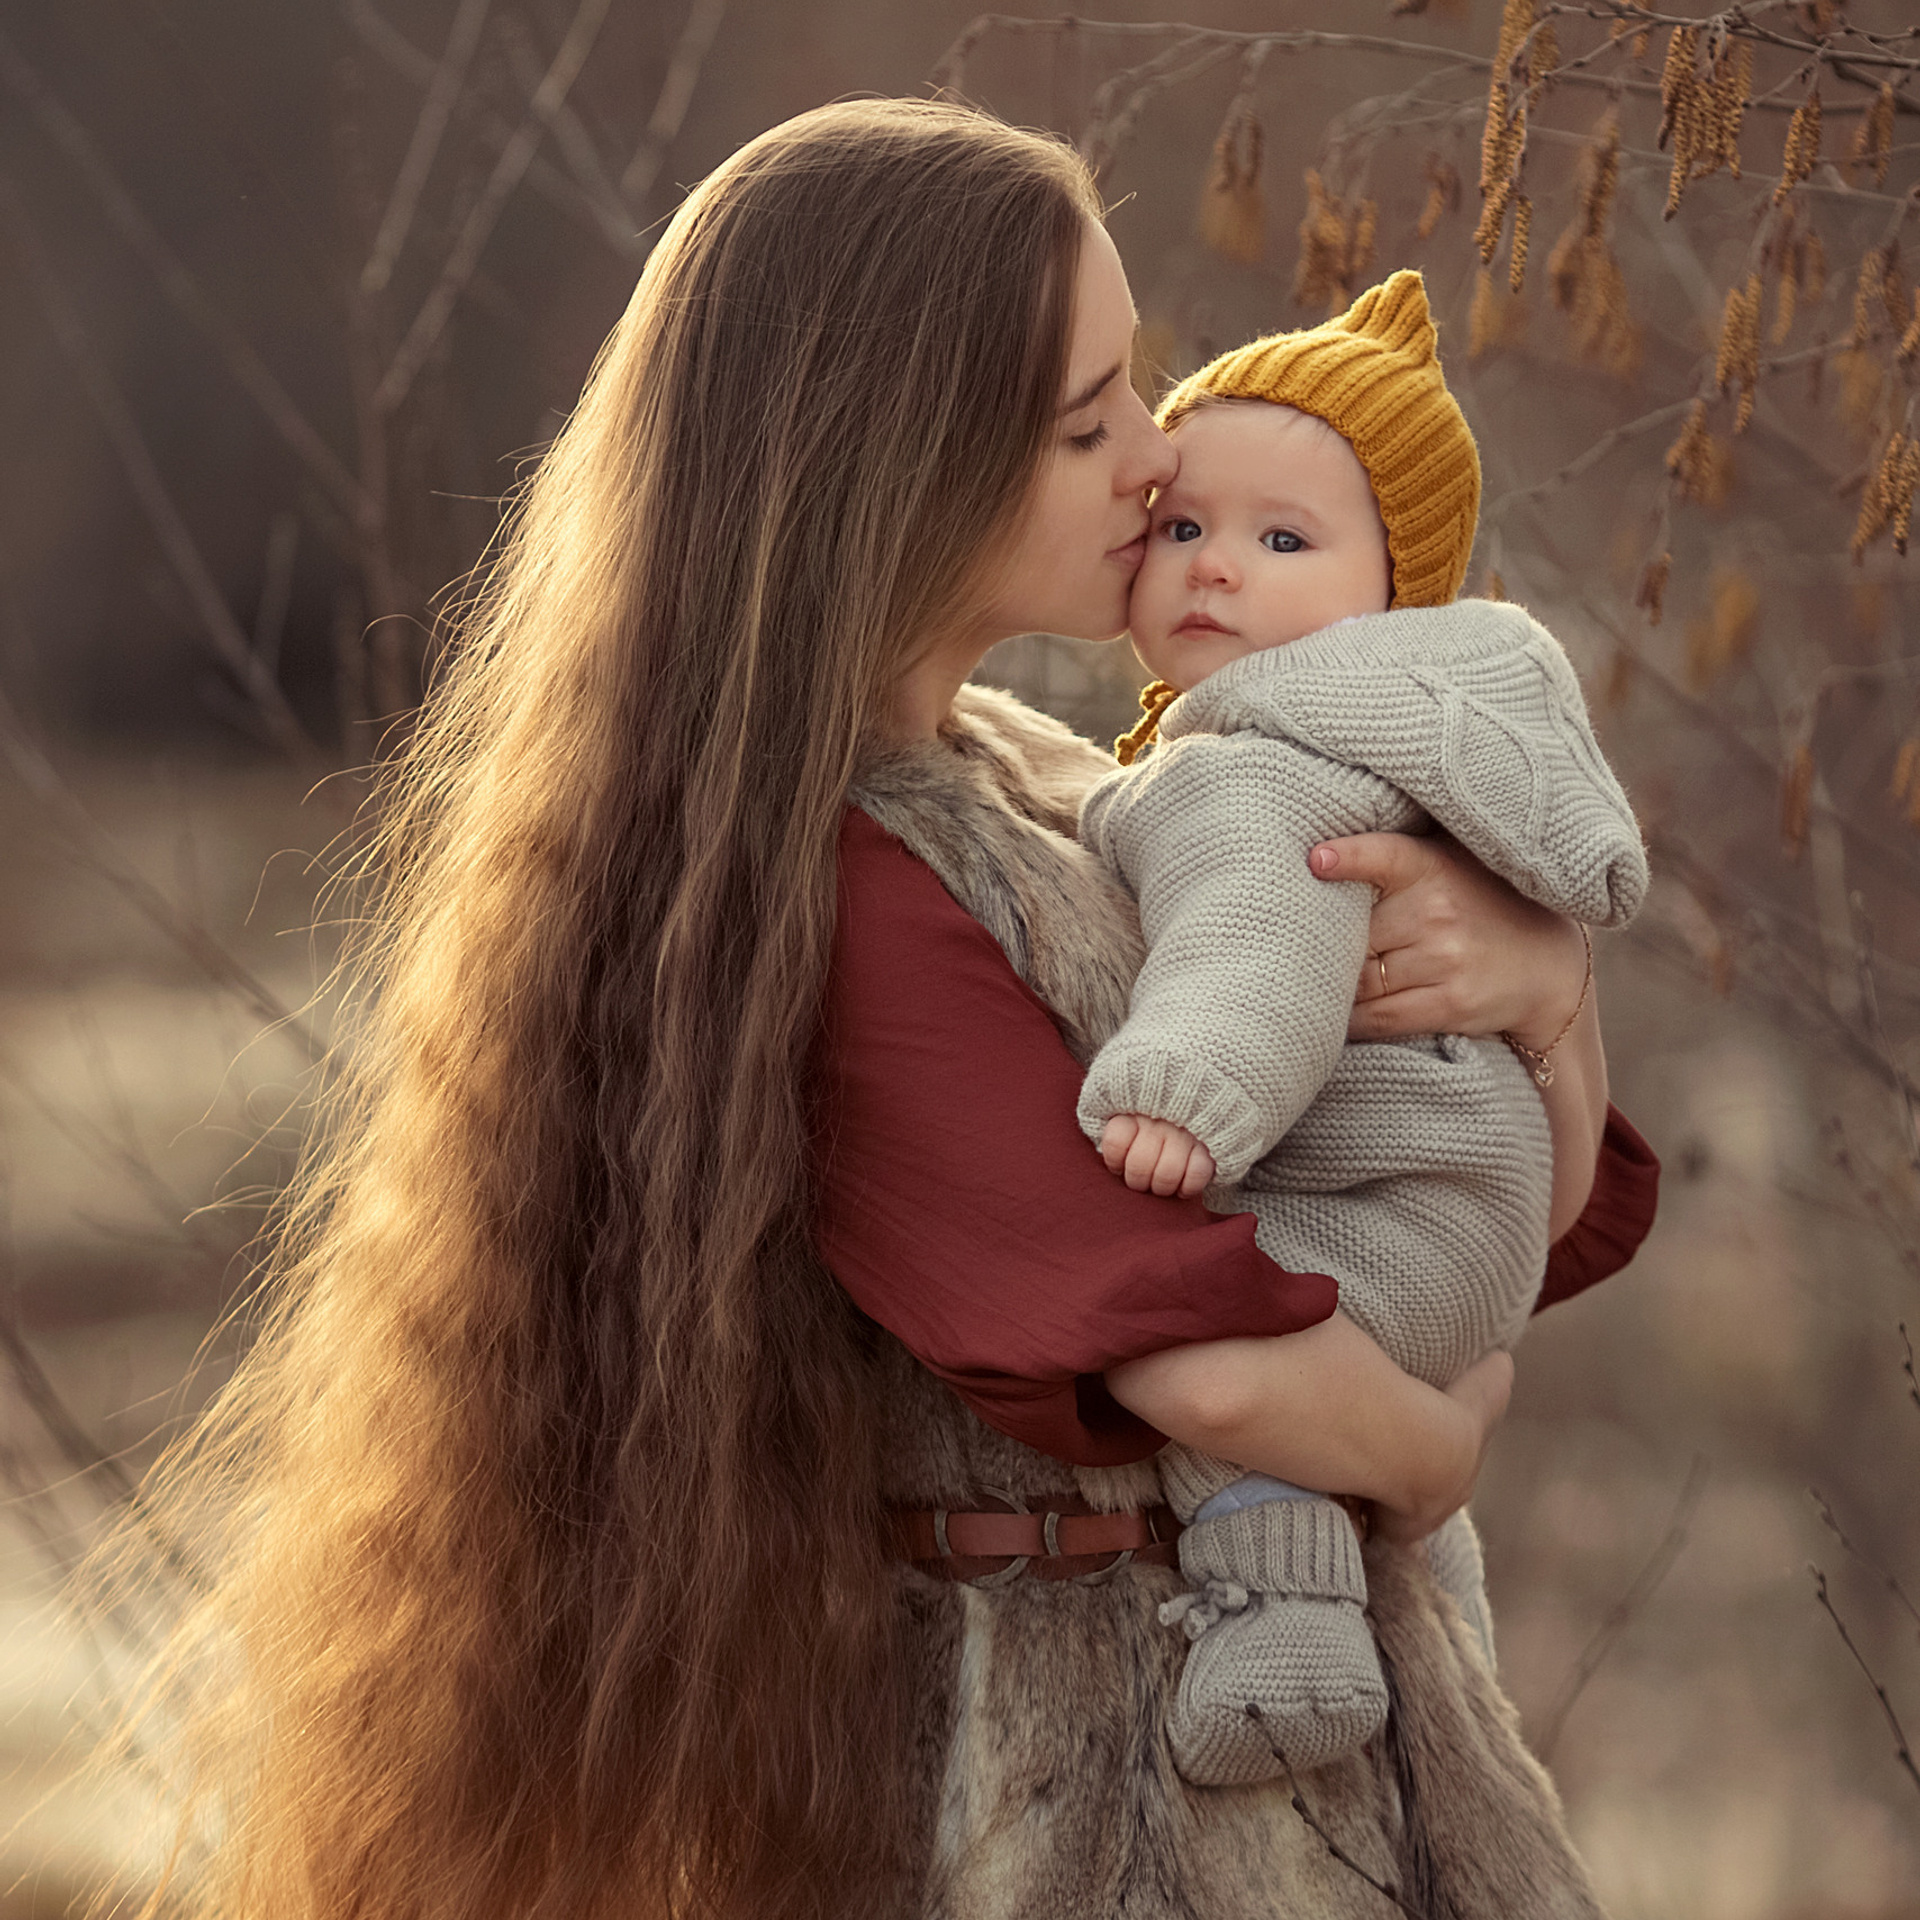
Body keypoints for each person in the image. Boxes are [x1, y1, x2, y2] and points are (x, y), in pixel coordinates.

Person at [114, 100, 1656, 1920]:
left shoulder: (1055, 783)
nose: (1158, 458)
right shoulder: (836, 897)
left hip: (1249, 1776)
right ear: (901, 465)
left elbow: (1451, 1206)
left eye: (1136, 391)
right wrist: (1442, 1445)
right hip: (1076, 1815)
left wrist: (1543, 993)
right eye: (1088, 421)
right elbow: (1180, 1336)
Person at [1063, 269, 1648, 1786]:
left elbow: (1266, 932)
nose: (1214, 572)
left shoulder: (1257, 758)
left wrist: (1193, 1086)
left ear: (1400, 585)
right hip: (1471, 1224)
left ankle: (1284, 1618)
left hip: (1375, 1218)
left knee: (1195, 1317)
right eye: (1186, 528)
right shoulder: (1412, 739)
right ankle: (1425, 1569)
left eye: (1282, 540)